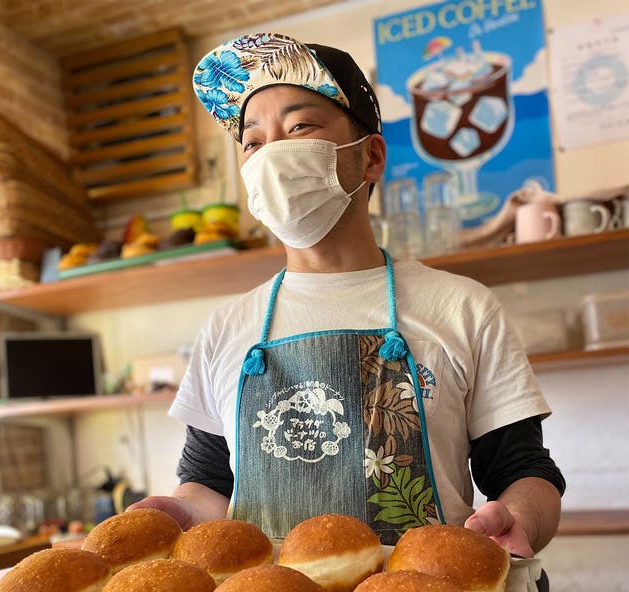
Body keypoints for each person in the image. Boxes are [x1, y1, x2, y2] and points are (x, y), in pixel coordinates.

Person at [132, 32, 565, 557]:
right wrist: (180, 512)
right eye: (253, 143)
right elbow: (208, 485)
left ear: (371, 157)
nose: (272, 155)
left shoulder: (463, 308)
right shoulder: (226, 327)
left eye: (300, 127)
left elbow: (522, 471)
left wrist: (520, 519)